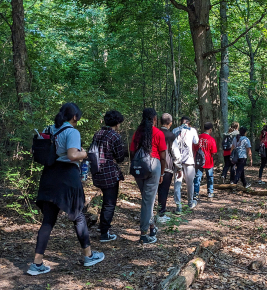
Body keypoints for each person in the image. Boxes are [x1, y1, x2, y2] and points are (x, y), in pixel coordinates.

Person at [28, 103, 104, 276]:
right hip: (67, 177)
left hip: (49, 176)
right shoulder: (72, 132)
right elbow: (72, 155)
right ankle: (89, 256)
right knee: (78, 216)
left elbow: (36, 149)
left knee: (48, 220)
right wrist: (85, 154)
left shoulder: (49, 129)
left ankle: (37, 263)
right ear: (75, 117)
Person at [130, 108, 167, 244]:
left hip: (139, 168)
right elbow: (163, 157)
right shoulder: (158, 133)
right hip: (153, 166)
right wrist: (162, 172)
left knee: (147, 200)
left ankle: (152, 227)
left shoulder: (137, 133)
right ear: (154, 119)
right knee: (148, 201)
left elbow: (132, 152)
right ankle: (144, 234)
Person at [91, 110, 125, 242]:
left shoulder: (98, 133)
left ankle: (102, 227)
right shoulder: (115, 136)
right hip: (109, 173)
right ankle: (104, 233)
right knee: (109, 203)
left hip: (96, 171)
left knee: (105, 201)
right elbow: (120, 157)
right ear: (117, 123)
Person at [157, 113, 182, 223]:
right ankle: (161, 214)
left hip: (153, 166)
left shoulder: (155, 133)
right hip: (167, 167)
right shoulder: (171, 136)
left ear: (159, 122)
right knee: (163, 191)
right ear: (170, 123)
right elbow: (175, 153)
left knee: (153, 191)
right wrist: (179, 168)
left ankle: (149, 214)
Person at [173, 116, 199, 212]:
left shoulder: (175, 130)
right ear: (189, 122)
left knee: (177, 183)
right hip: (189, 160)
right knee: (190, 183)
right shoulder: (192, 130)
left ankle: (178, 206)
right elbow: (196, 141)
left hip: (177, 160)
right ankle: (190, 202)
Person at [193, 122, 218, 199]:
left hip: (198, 161)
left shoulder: (198, 137)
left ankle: (196, 193)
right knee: (210, 177)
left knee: (197, 177)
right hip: (208, 161)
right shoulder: (211, 139)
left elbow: (194, 148)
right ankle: (210, 192)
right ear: (210, 130)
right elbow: (213, 152)